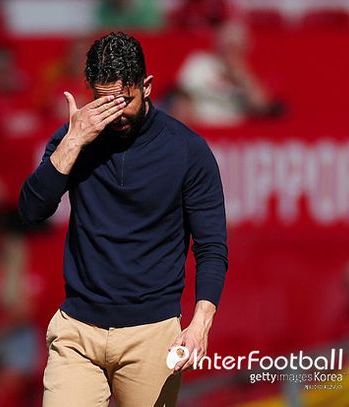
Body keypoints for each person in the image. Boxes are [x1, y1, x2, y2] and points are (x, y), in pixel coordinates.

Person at [19, 32, 228, 406]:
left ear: (147, 86)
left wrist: (200, 323)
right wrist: (72, 142)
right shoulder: (75, 138)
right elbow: (32, 211)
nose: (115, 113)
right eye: (104, 100)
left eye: (125, 100)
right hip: (77, 330)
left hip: (152, 334)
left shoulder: (188, 150)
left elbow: (211, 246)